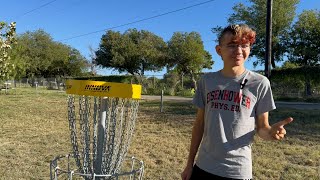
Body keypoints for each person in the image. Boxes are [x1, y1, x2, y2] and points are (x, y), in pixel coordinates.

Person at [181, 24, 293, 180]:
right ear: (219, 50)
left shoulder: (260, 83)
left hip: (237, 171)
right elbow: (199, 125)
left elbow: (262, 128)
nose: (239, 51)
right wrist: (189, 164)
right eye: (232, 45)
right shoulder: (207, 81)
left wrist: (271, 133)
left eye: (244, 45)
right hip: (203, 166)